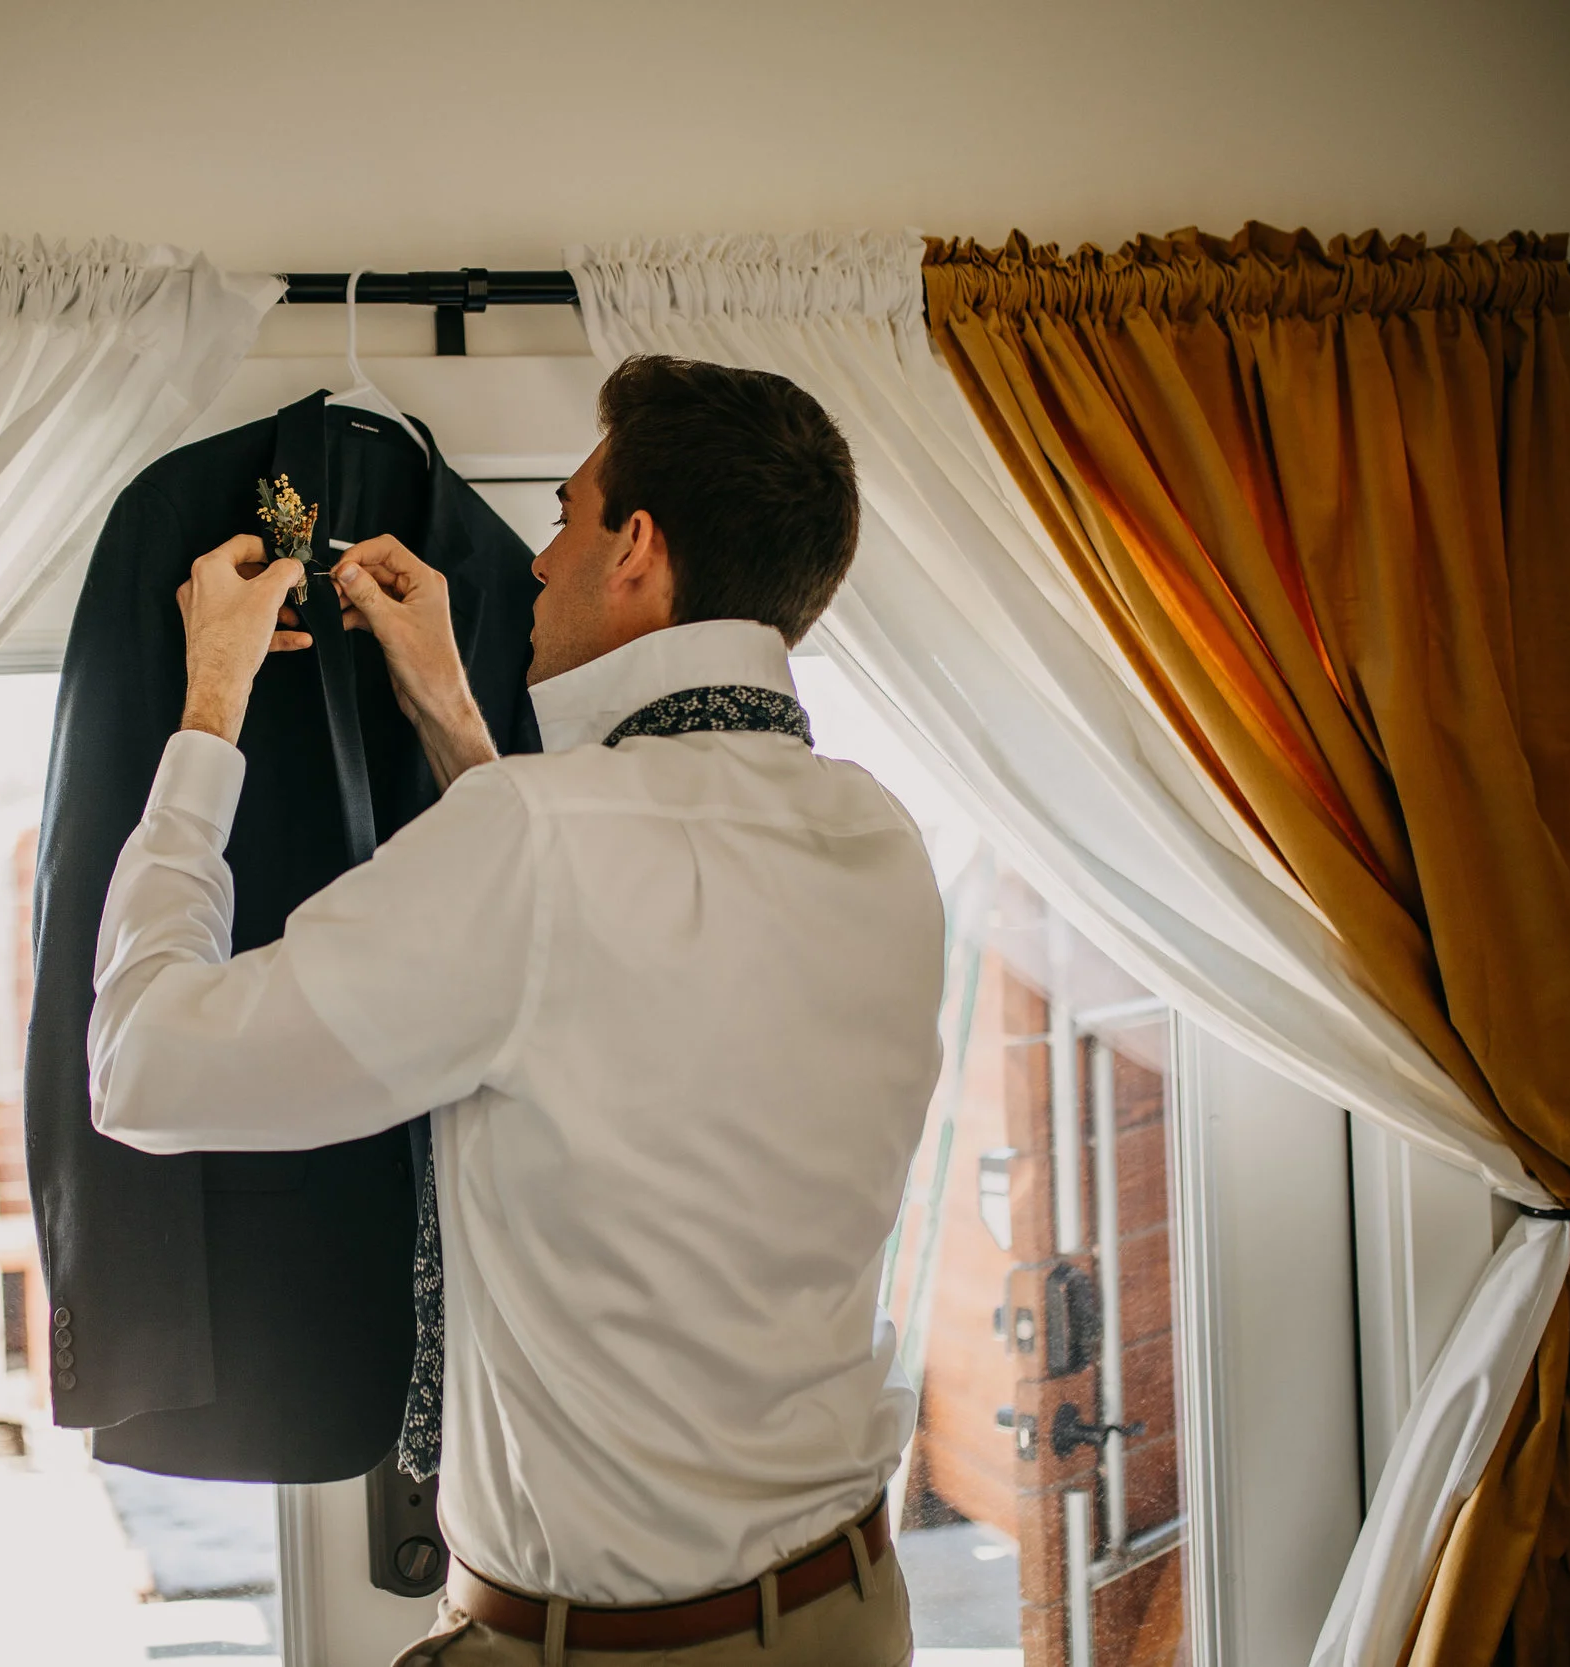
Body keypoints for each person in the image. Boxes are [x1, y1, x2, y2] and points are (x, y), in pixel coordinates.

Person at [88, 355, 945, 1667]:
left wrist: (210, 711)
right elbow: (597, 971)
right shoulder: (876, 839)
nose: (537, 562)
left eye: (565, 517)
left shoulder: (540, 848)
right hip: (849, 1610)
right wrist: (449, 718)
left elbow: (144, 1068)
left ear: (638, 551)